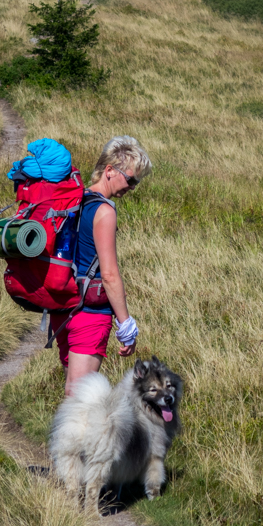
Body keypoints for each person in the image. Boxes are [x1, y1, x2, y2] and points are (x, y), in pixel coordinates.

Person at [50, 136, 152, 395]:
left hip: (63, 308)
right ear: (109, 171)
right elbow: (109, 275)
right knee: (78, 401)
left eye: (136, 182)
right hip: (90, 315)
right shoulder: (105, 212)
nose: (132, 186)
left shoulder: (76, 201)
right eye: (130, 179)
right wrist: (125, 324)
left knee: (73, 395)